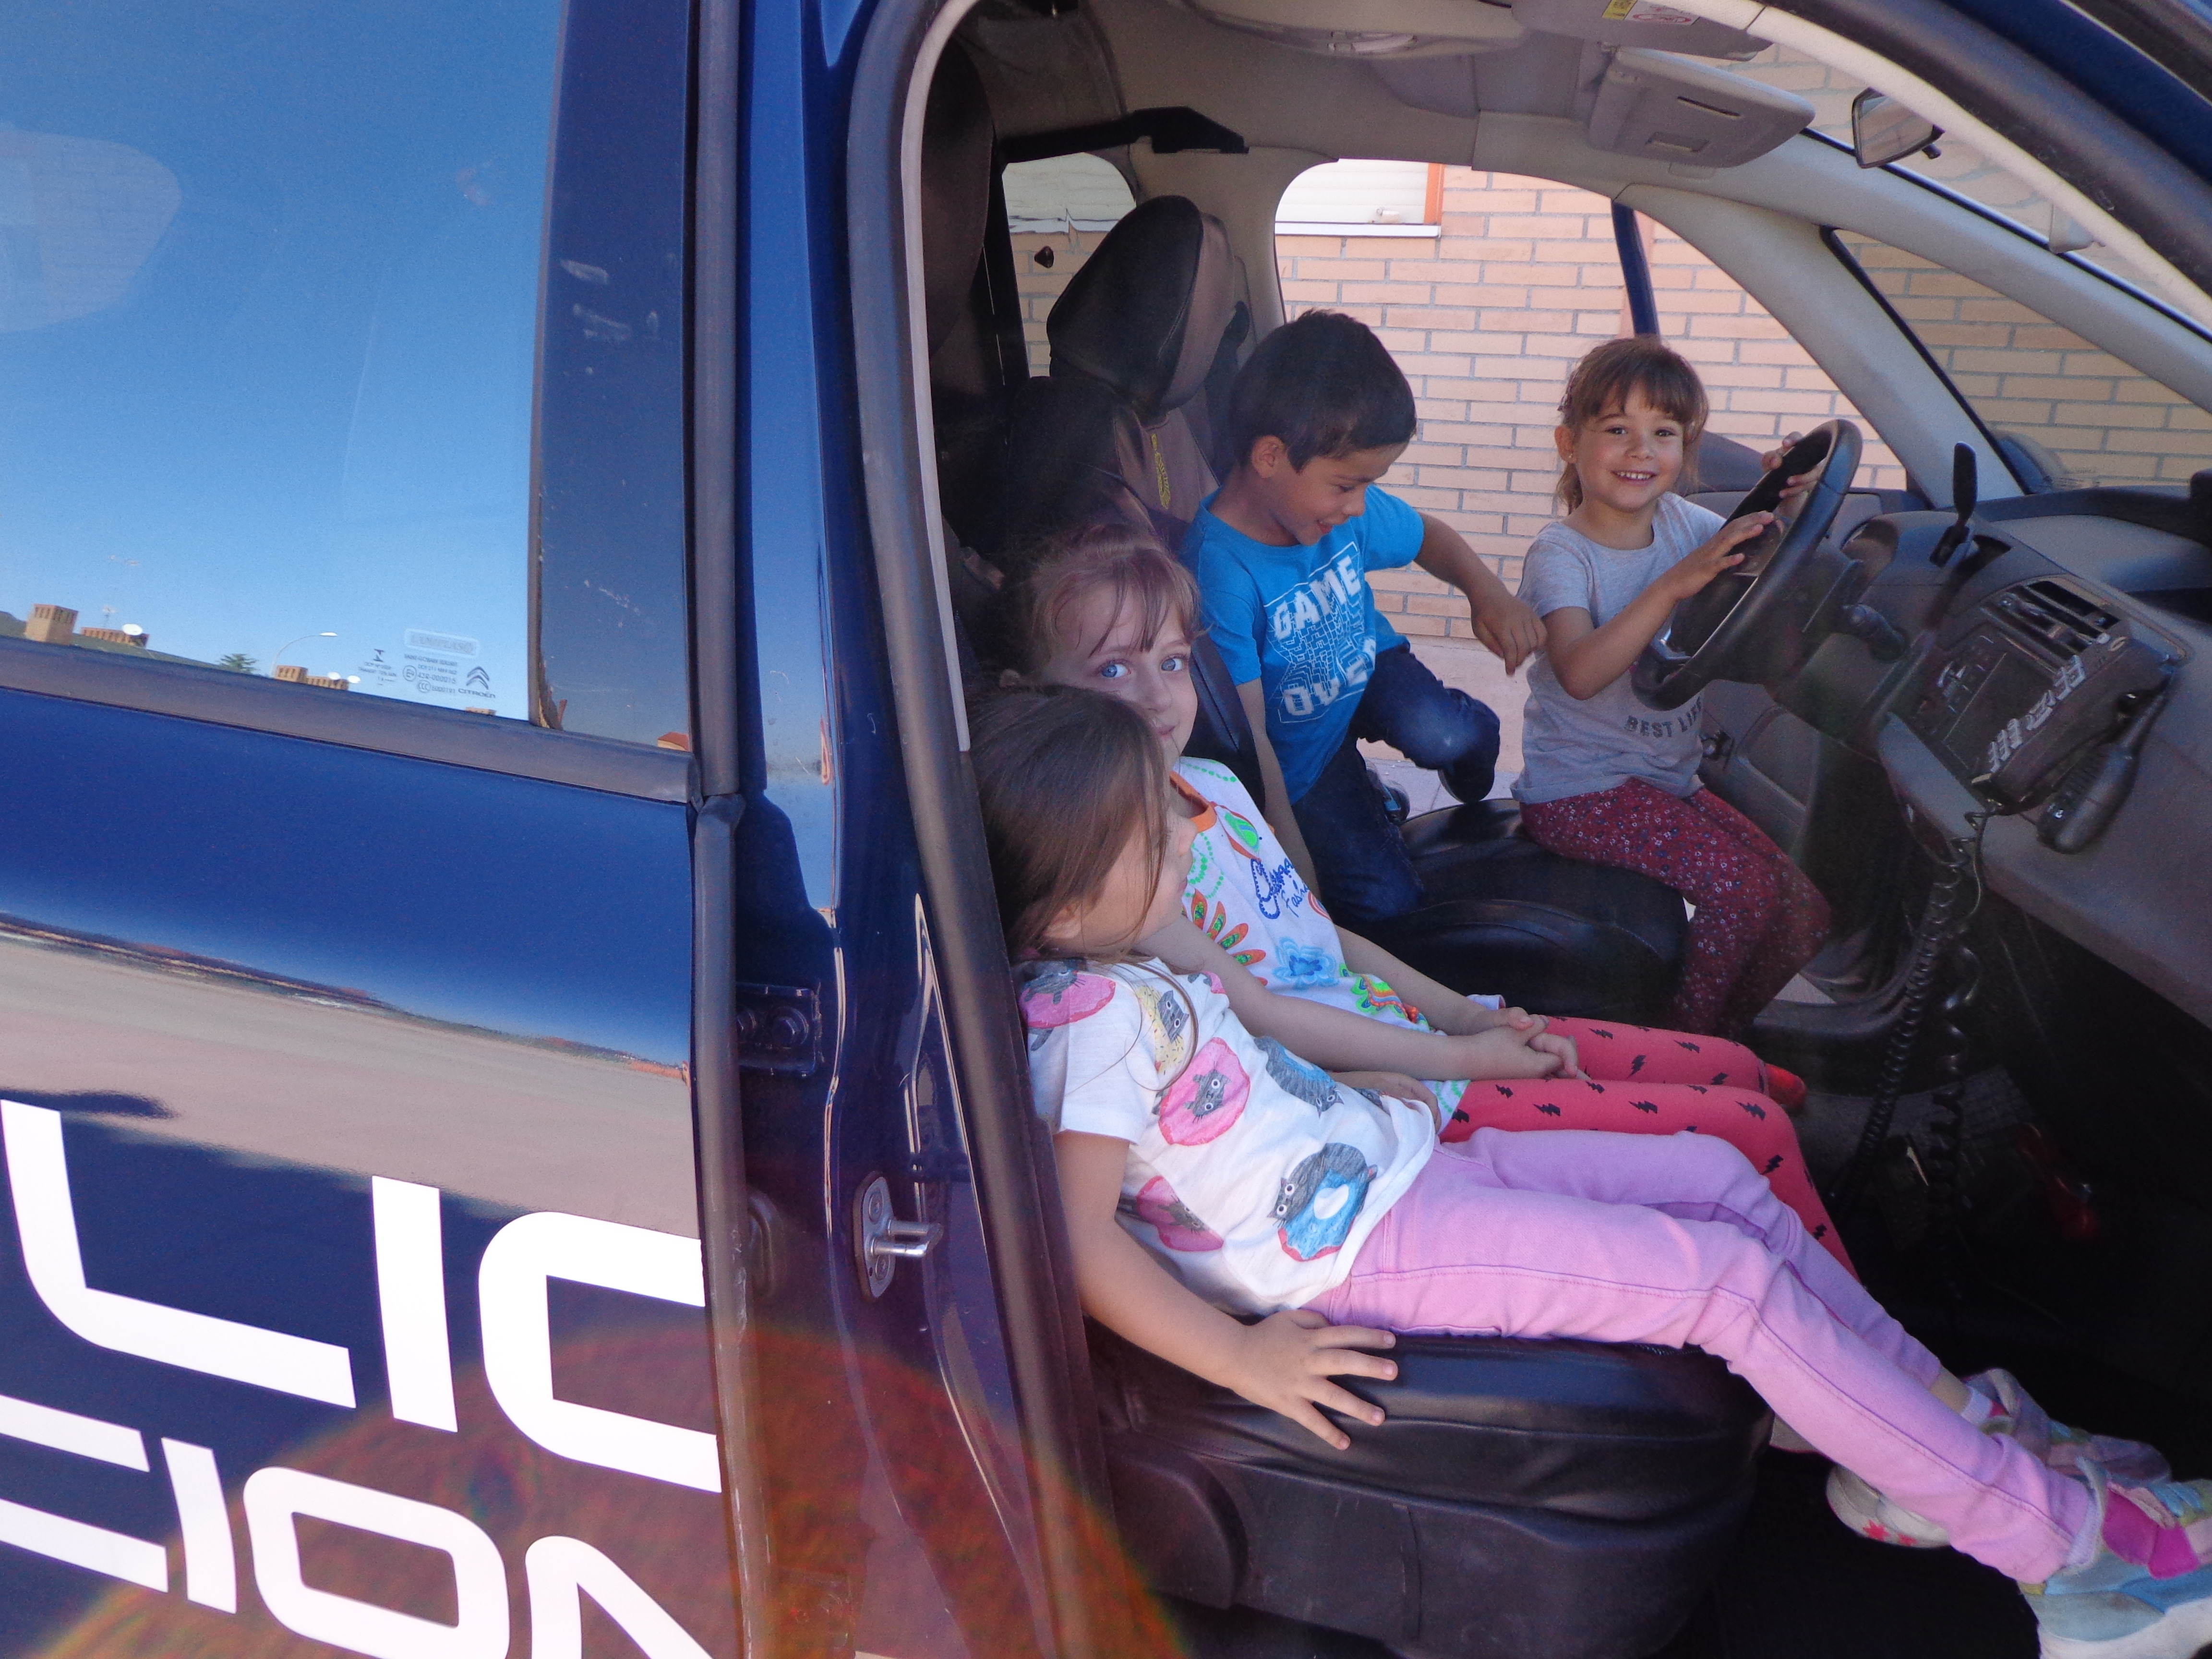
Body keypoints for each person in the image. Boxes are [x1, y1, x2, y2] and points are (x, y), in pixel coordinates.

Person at [970, 682, 2212, 1659]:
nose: (1178, 841)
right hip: (1358, 1248)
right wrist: (1241, 1359)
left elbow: (1241, 1080)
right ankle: (2066, 1560)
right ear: (1062, 911)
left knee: (1720, 1181)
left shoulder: (1135, 958)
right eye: (1146, 838)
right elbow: (1079, 1242)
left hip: (1391, 1163)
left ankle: (1937, 1436)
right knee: (1722, 1281)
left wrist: (1375, 1087)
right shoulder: (1086, 1019)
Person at [988, 524, 1845, 1262]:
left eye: (1173, 661)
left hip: (1422, 1040)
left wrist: (1468, 1018)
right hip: (1393, 1095)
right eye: (1111, 669)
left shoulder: (1212, 785)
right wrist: (1464, 1057)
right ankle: (1847, 1353)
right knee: (1751, 1134)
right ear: (1033, 698)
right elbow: (1264, 1018)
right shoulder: (1125, 878)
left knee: (1735, 1073)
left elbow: (1325, 941)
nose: (1154, 696)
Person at [1184, 310, 1544, 929]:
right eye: (1346, 486)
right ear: (1270, 456)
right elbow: (1252, 736)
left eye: (1369, 485)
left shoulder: (1336, 508)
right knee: (1387, 907)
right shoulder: (1219, 572)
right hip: (1304, 757)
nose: (1358, 506)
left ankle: (1471, 741)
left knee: (1447, 738)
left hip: (1365, 662)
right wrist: (1287, 857)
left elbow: (1428, 535)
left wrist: (1487, 594)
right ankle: (1369, 794)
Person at [1514, 336, 1830, 1037]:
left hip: (1665, 782)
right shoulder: (1562, 554)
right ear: (1570, 443)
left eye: (1664, 433)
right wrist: (1673, 585)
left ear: (1686, 449)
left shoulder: (1686, 524)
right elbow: (1581, 672)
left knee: (1805, 911)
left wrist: (1791, 504)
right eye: (1616, 430)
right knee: (1743, 892)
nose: (1640, 451)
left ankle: (1721, 1041)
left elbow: (1766, 569)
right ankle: (1679, 1048)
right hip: (1581, 792)